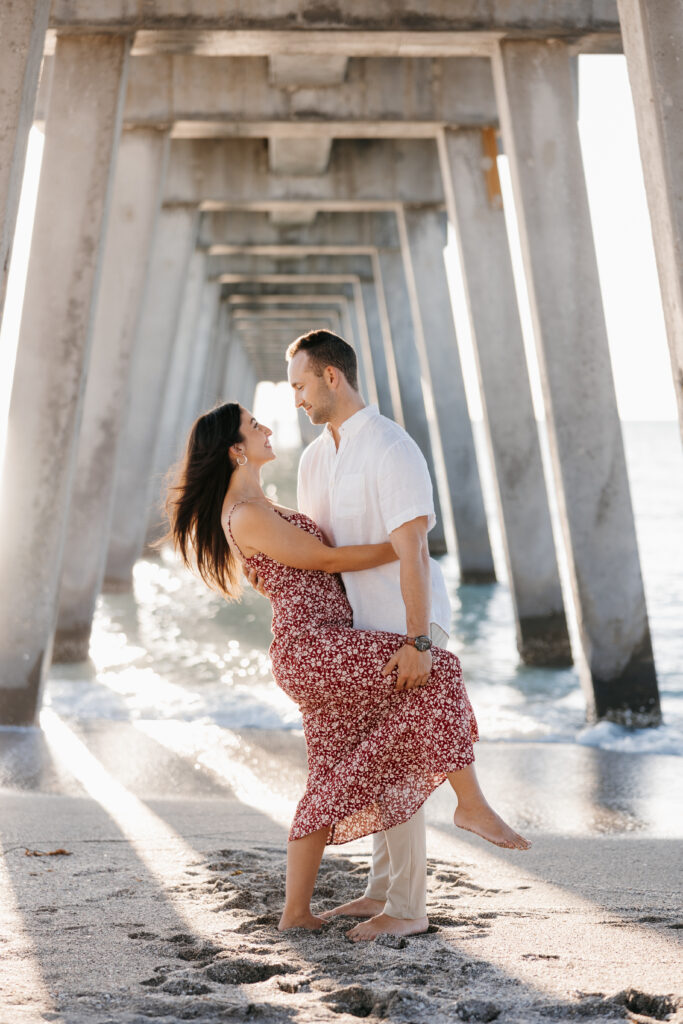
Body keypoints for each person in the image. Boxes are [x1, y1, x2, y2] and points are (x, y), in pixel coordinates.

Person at [166, 396, 530, 940]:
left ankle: (299, 914)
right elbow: (330, 561)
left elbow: (301, 567)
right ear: (236, 450)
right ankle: (471, 803)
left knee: (330, 777)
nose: (268, 427)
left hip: (328, 645)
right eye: (254, 425)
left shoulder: (263, 508)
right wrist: (404, 545)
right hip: (314, 649)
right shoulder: (247, 514)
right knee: (437, 668)